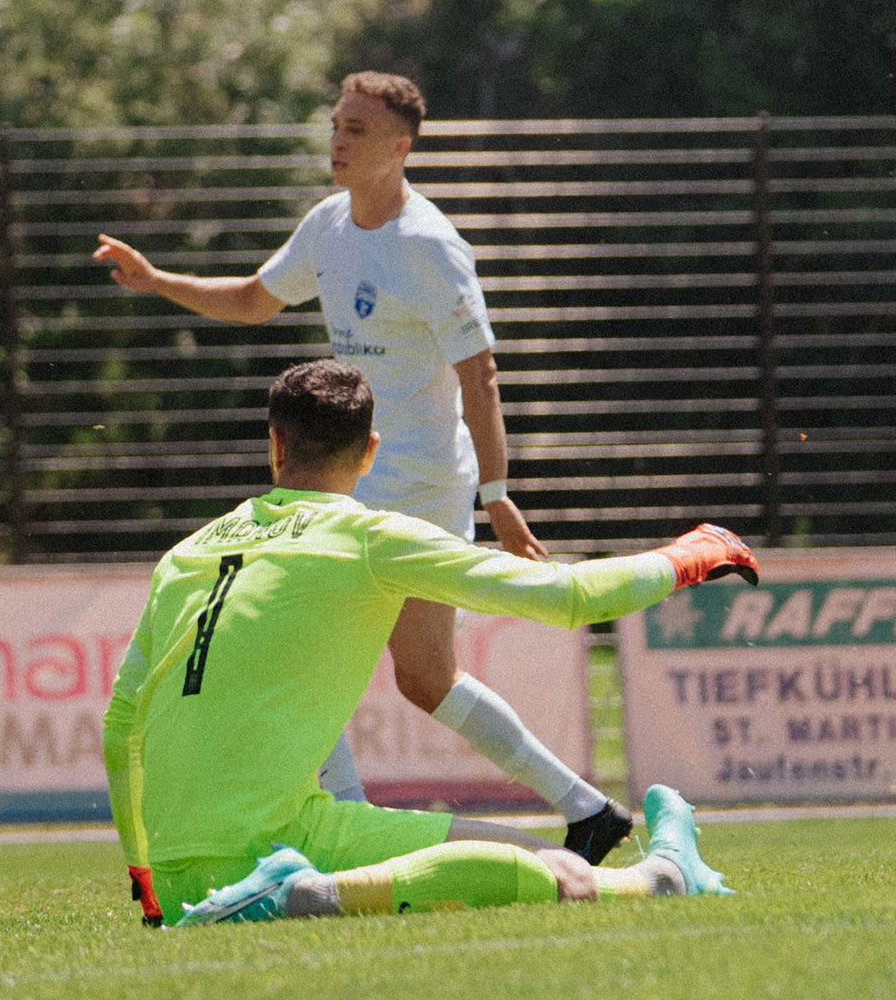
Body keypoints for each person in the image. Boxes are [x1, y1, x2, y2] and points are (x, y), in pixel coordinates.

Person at [94, 71, 642, 859]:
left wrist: (498, 495)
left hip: (414, 478)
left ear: (400, 146)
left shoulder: (430, 246)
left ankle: (341, 819)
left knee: (298, 641)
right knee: (425, 680)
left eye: (357, 129)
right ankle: (588, 810)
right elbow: (255, 299)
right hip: (360, 476)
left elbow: (479, 373)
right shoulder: (327, 227)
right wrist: (156, 282)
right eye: (336, 125)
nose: (339, 141)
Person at [103, 359, 758, 928]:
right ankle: (662, 878)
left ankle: (303, 892)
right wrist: (695, 553)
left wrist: (147, 882)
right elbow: (573, 597)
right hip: (281, 846)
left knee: (507, 859)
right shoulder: (370, 538)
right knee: (547, 869)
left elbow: (120, 727)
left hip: (176, 873)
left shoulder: (185, 552)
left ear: (276, 446)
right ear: (370, 451)